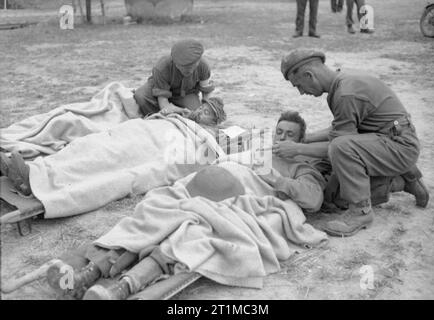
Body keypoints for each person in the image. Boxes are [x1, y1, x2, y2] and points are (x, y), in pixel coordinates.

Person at [44, 110, 327, 300]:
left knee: (187, 236)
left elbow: (313, 198)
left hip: (235, 199)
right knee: (151, 217)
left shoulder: (301, 165)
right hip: (194, 187)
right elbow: (223, 134)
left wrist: (277, 180)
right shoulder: (258, 144)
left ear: (301, 140)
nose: (282, 139)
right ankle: (88, 273)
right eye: (280, 132)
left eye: (291, 135)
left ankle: (121, 288)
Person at [278, 49, 429, 237]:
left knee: (336, 194)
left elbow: (338, 145)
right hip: (390, 140)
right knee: (335, 178)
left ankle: (361, 211)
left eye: (299, 85)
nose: (301, 92)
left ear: (309, 75)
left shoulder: (345, 94)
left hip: (399, 147)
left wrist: (297, 149)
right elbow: (341, 130)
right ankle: (405, 176)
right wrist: (306, 138)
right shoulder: (344, 82)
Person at [0, 97, 226, 199]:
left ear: (214, 121)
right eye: (202, 108)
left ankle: (33, 181)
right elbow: (153, 118)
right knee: (89, 145)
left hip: (155, 143)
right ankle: (35, 170)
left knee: (106, 158)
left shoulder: (208, 135)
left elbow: (208, 154)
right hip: (139, 131)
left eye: (207, 113)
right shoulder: (185, 116)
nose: (200, 112)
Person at [133, 39, 215, 117]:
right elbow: (163, 101)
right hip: (158, 89)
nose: (187, 70)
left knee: (197, 114)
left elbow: (206, 92)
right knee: (141, 96)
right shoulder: (162, 67)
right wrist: (176, 110)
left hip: (186, 93)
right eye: (183, 67)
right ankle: (156, 117)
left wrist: (208, 108)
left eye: (191, 67)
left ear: (198, 61)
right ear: (174, 62)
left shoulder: (204, 66)